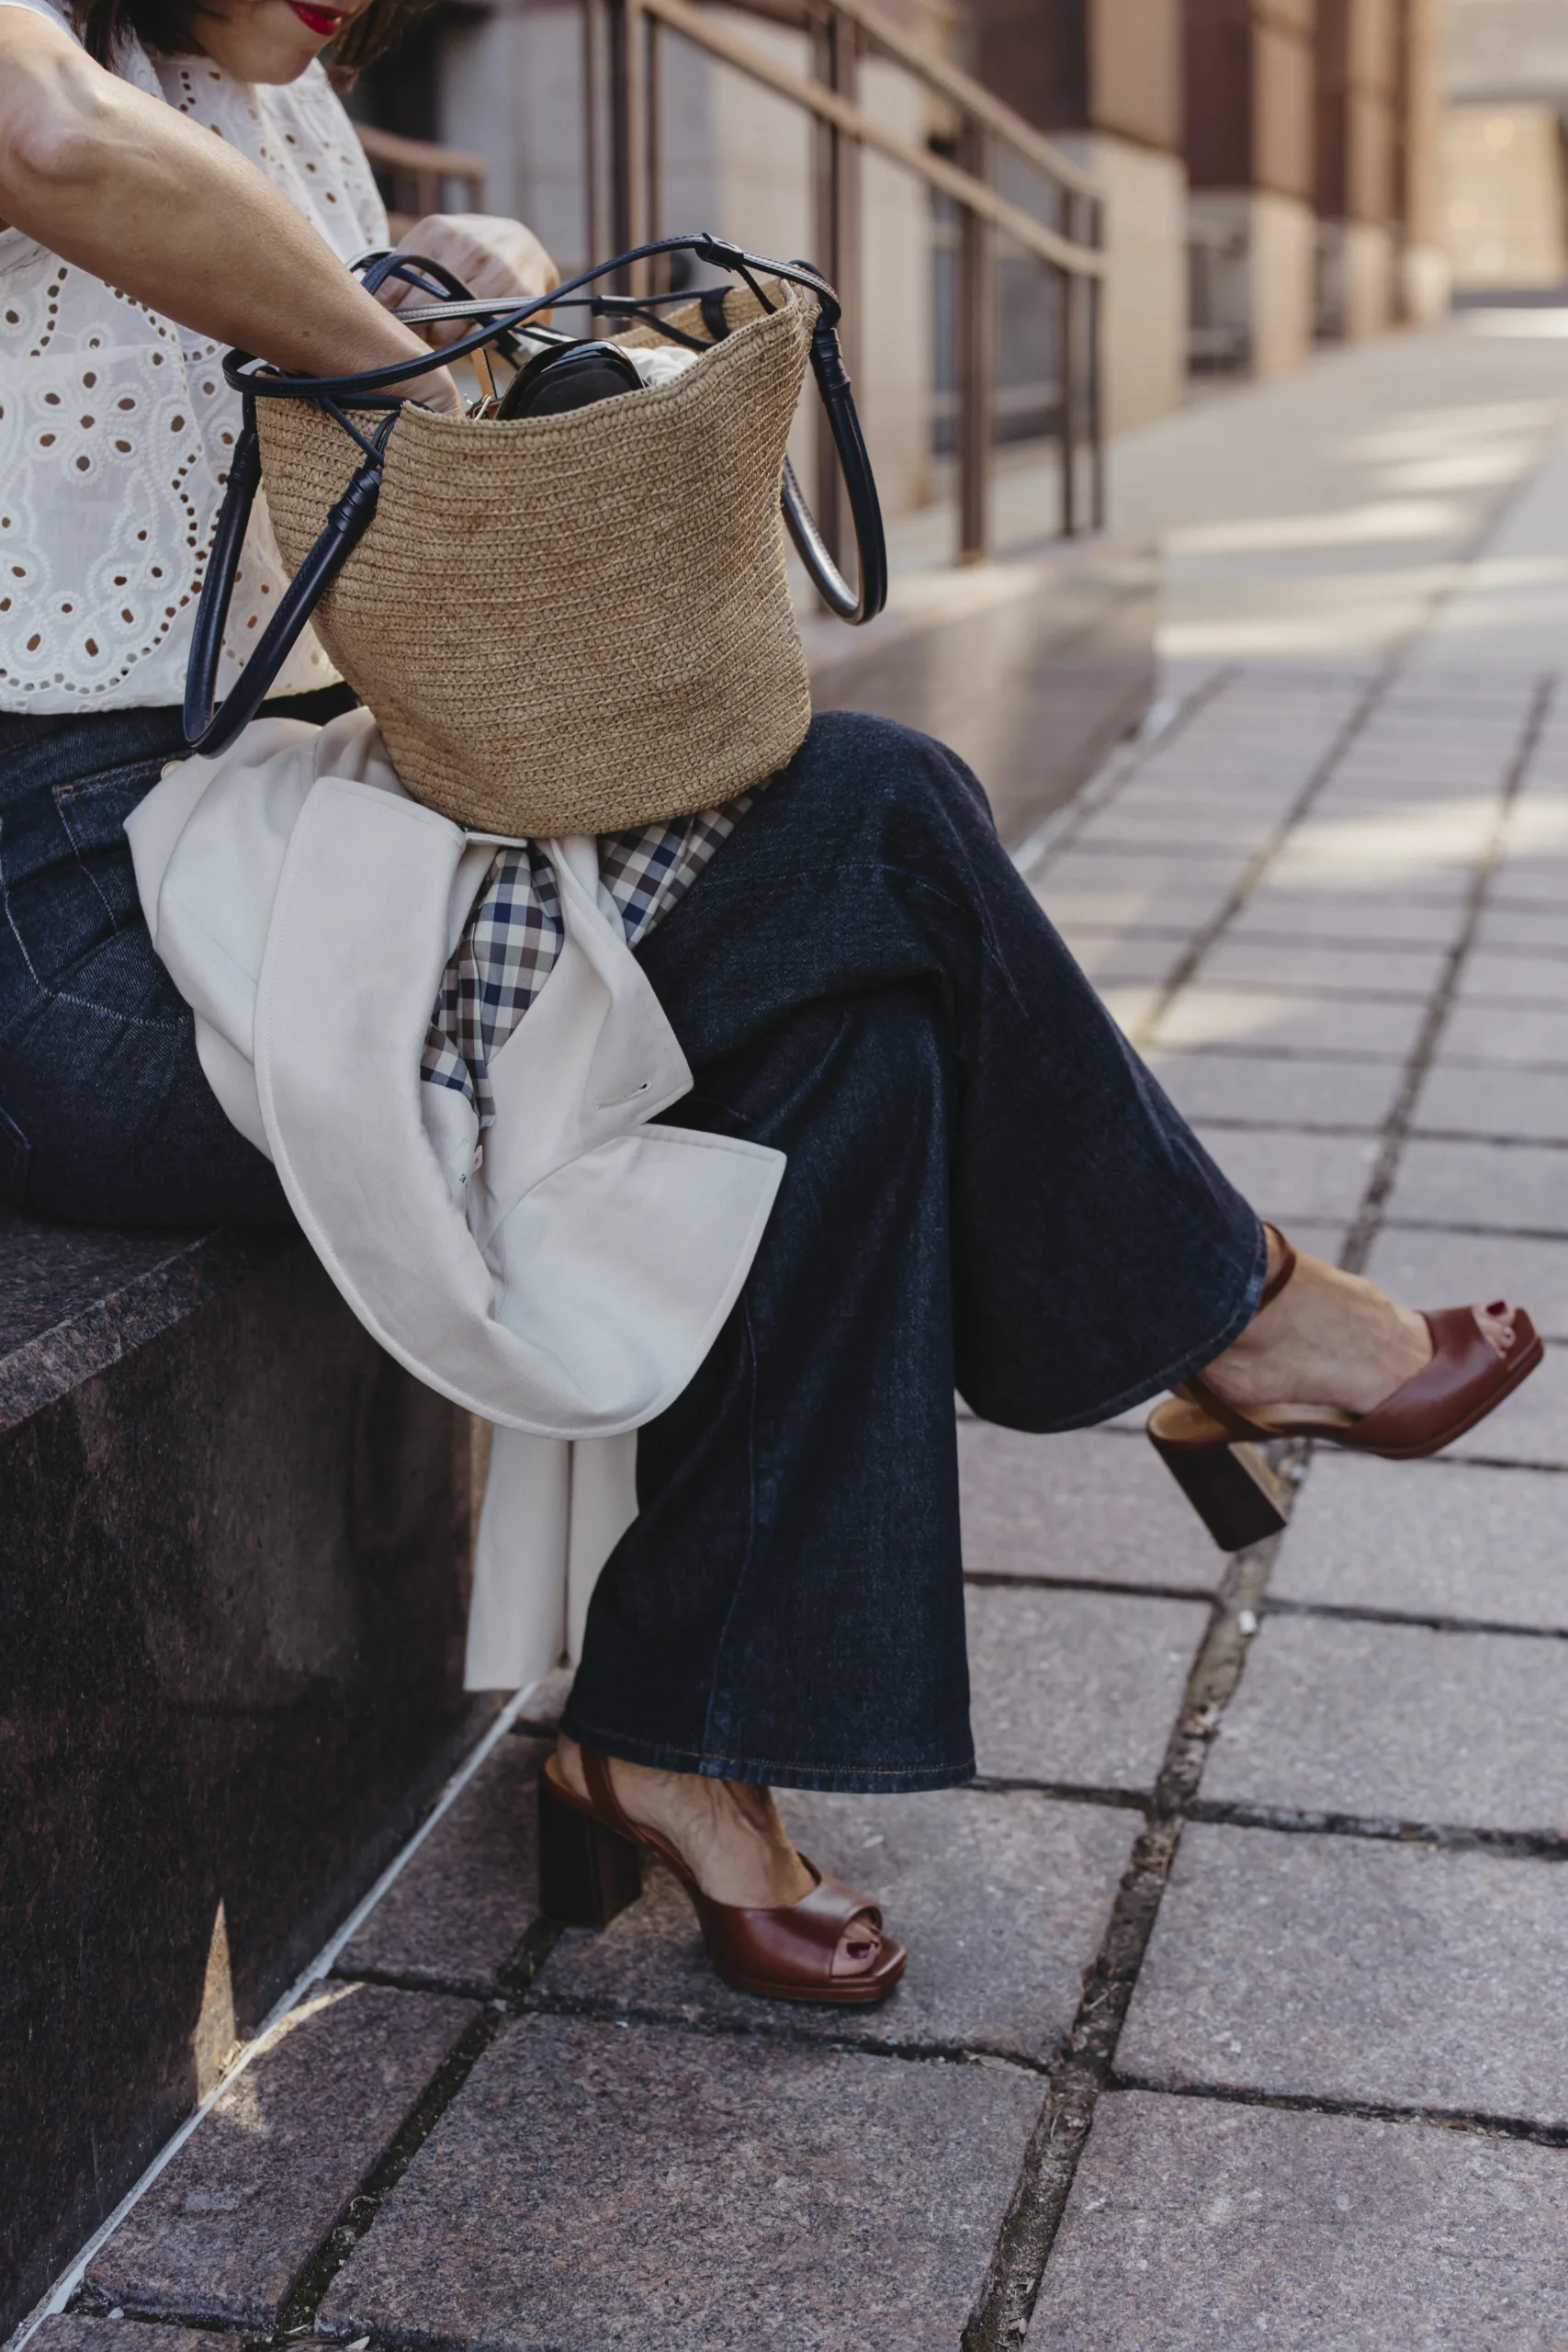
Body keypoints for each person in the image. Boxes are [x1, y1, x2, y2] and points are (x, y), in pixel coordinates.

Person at [0, 0, 1540, 2006]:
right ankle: (1216, 1311)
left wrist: (475, 286)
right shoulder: (57, 61)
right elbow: (50, 139)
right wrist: (398, 359)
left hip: (274, 825)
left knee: (859, 1030)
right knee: (880, 811)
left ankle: (669, 1727)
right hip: (75, 928)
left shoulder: (277, 112)